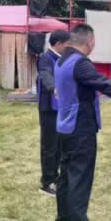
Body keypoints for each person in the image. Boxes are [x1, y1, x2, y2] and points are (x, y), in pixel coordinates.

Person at [54, 24, 111, 221]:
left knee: (66, 175)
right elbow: (103, 83)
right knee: (80, 178)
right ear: (90, 41)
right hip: (80, 128)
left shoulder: (62, 59)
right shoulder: (80, 63)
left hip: (64, 126)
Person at [37, 30, 71, 196]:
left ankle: (56, 177)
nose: (69, 47)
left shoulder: (64, 59)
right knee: (49, 146)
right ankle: (47, 182)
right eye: (68, 44)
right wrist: (53, 88)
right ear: (58, 44)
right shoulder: (45, 58)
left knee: (59, 145)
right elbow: (45, 74)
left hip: (61, 108)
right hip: (49, 108)